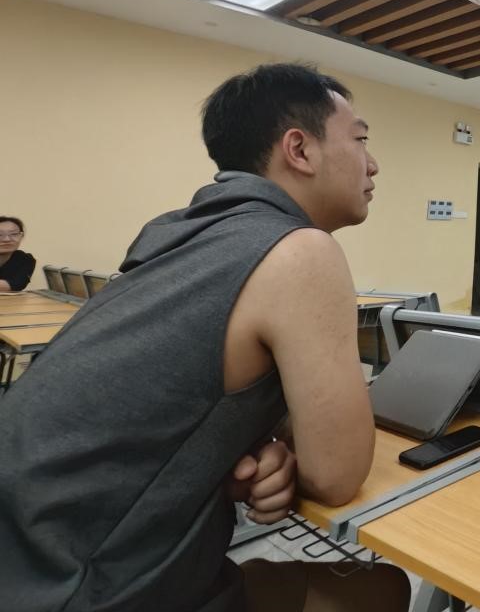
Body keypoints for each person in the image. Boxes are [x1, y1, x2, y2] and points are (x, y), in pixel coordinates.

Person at [0, 64, 410, 611]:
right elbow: (336, 476)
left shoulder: (175, 236)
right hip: (74, 586)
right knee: (381, 588)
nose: (372, 163)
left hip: (24, 547)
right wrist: (279, 450)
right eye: (359, 140)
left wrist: (257, 445)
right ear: (299, 149)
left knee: (280, 575)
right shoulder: (301, 251)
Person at [0, 216, 35, 292]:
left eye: (14, 234)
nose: (7, 239)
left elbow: (17, 285)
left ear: (21, 236)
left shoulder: (25, 259)